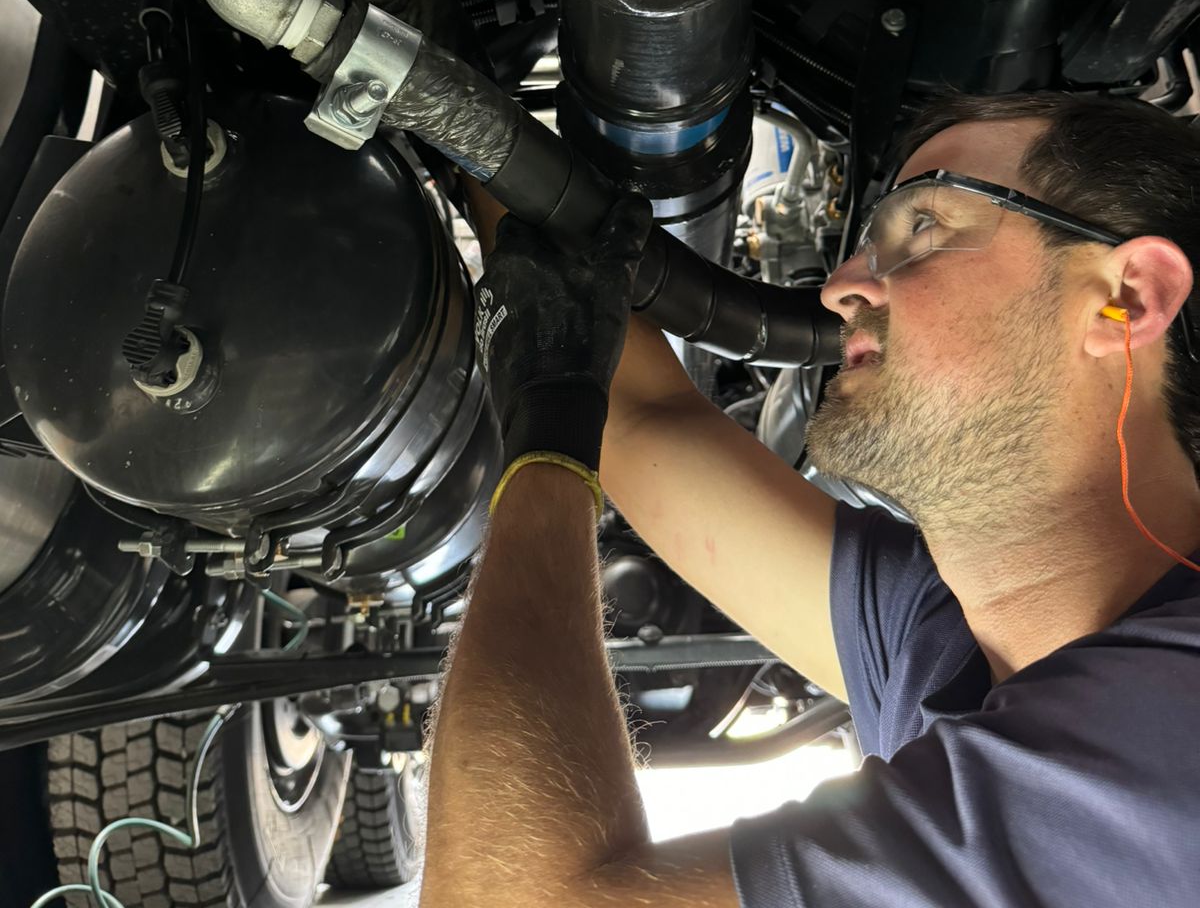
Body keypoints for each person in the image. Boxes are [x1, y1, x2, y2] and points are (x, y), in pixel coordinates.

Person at [420, 91, 1200, 907]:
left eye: (924, 224)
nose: (841, 287)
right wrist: (467, 125)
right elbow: (648, 420)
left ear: (1131, 296)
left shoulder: (1169, 730)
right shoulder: (940, 645)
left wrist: (547, 421)